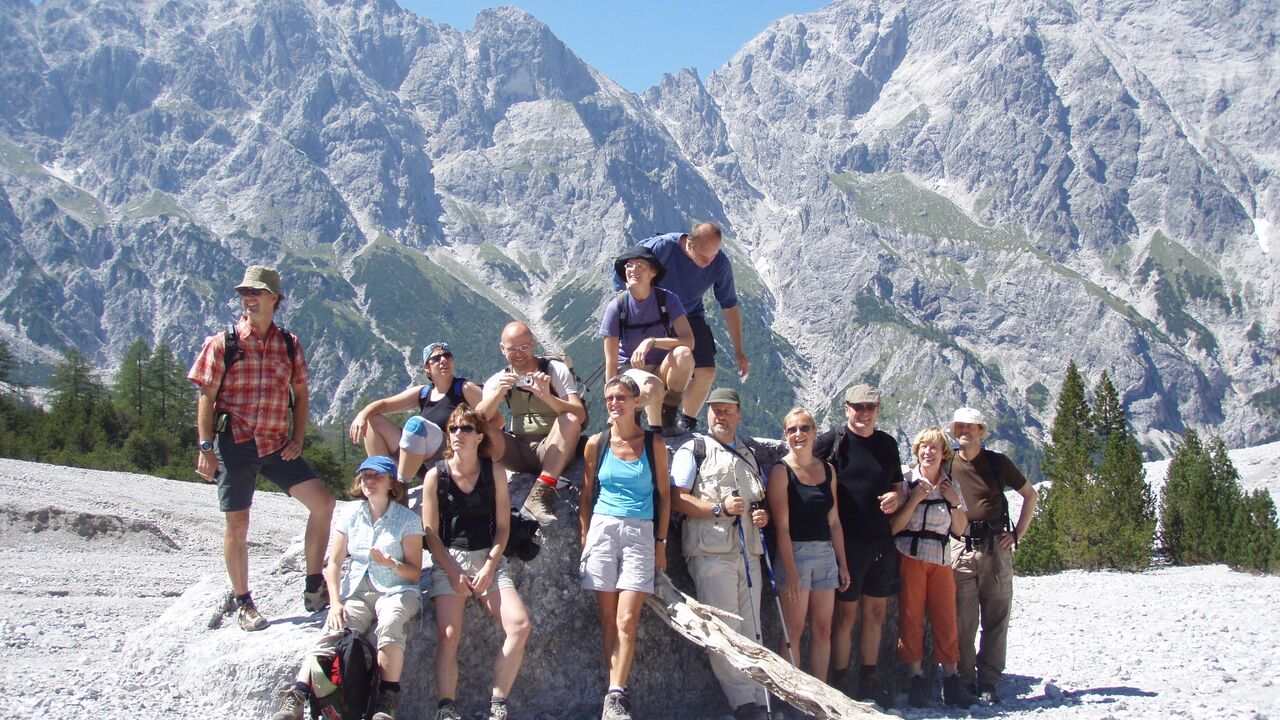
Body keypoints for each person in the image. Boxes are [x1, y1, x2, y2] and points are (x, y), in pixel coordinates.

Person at [187, 265, 336, 631]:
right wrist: (205, 447)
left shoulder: (289, 344)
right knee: (238, 523)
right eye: (244, 293)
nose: (248, 298)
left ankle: (314, 586)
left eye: (256, 292)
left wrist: (298, 438)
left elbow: (301, 395)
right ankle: (244, 602)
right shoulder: (224, 342)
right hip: (235, 443)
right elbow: (206, 396)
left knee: (324, 503)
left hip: (275, 444)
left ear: (274, 299)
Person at [270, 455, 423, 720]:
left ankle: (387, 701)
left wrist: (391, 564)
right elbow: (335, 561)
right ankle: (297, 694)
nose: (370, 481)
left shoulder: (407, 520)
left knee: (390, 624)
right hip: (356, 591)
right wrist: (336, 601)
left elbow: (414, 572)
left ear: (391, 484)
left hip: (396, 589)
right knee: (334, 629)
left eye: (377, 476)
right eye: (365, 476)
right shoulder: (350, 514)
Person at [422, 405, 532, 720]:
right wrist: (454, 571)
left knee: (520, 625)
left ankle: (498, 703)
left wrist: (489, 566)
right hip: (449, 558)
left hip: (488, 557)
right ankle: (446, 707)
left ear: (479, 436)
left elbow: (502, 527)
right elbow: (431, 535)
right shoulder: (435, 476)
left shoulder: (494, 471)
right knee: (448, 635)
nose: (458, 434)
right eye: (453, 429)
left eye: (465, 429)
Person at [670, 387, 770, 719]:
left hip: (749, 552)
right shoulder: (693, 449)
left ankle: (759, 695)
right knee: (725, 629)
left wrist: (762, 516)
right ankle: (744, 703)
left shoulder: (749, 453)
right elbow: (676, 498)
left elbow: (757, 500)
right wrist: (718, 508)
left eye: (726, 410)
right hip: (711, 553)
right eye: (714, 410)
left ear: (739, 414)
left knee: (752, 628)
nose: (720, 415)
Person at [579, 375, 670, 720]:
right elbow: (587, 494)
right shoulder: (596, 444)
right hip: (603, 529)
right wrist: (584, 533)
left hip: (640, 532)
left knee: (627, 618)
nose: (614, 403)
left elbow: (664, 495)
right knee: (607, 618)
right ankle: (615, 693)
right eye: (609, 398)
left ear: (636, 402)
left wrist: (661, 542)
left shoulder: (652, 444)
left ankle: (616, 692)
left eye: (621, 397)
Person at [812, 384, 903, 706]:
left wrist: (898, 496)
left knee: (876, 613)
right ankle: (840, 681)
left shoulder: (887, 444)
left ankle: (869, 679)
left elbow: (897, 483)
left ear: (878, 409)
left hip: (880, 539)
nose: (864, 413)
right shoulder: (832, 442)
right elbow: (804, 472)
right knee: (845, 616)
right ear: (846, 408)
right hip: (846, 541)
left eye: (871, 407)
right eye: (858, 407)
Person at [613, 223, 749, 431]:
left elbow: (729, 305)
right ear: (690, 245)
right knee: (654, 370)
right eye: (705, 257)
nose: (709, 262)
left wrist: (739, 351)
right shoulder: (663, 248)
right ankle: (649, 418)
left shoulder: (719, 261)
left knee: (706, 371)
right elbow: (626, 272)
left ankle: (686, 422)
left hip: (690, 314)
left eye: (714, 255)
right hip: (655, 312)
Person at [949, 407, 1037, 704]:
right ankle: (964, 678)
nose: (965, 431)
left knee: (996, 618)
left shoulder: (998, 463)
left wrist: (1018, 535)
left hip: (996, 546)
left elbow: (1030, 495)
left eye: (971, 427)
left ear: (981, 432)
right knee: (963, 619)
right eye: (960, 426)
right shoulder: (947, 463)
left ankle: (989, 681)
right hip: (962, 545)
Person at [890, 427, 975, 708]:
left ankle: (950, 680)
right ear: (916, 451)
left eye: (934, 448)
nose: (928, 452)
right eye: (923, 447)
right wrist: (913, 499)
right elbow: (895, 527)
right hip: (911, 557)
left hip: (940, 559)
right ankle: (916, 679)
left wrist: (954, 502)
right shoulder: (905, 482)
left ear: (943, 454)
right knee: (911, 617)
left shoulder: (951, 486)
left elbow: (961, 529)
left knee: (946, 618)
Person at [767, 407, 850, 683]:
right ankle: (790, 697)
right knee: (793, 630)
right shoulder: (781, 472)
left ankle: (820, 696)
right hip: (796, 553)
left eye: (804, 428)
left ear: (814, 432)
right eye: (792, 430)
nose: (798, 434)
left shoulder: (827, 470)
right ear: (785, 435)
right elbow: (781, 526)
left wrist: (842, 563)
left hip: (825, 553)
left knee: (823, 628)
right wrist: (790, 572)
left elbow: (835, 520)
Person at [476, 321, 586, 525]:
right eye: (512, 349)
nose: (519, 354)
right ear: (502, 349)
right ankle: (478, 491)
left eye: (524, 347)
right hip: (518, 449)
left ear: (533, 344)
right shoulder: (497, 380)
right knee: (480, 432)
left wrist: (547, 397)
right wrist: (498, 394)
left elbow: (579, 414)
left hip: (553, 447)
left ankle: (540, 493)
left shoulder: (554, 370)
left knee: (569, 420)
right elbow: (476, 422)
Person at [348, 341, 485, 480]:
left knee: (417, 425)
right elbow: (384, 404)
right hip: (418, 462)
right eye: (436, 359)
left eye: (447, 356)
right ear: (426, 367)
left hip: (450, 458)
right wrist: (363, 414)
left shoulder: (465, 388)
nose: (443, 360)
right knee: (374, 420)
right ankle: (383, 480)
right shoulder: (424, 393)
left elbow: (492, 419)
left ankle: (399, 484)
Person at [600, 246, 695, 433]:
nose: (634, 270)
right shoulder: (617, 306)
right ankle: (629, 417)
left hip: (661, 366)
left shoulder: (667, 299)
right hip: (630, 369)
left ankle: (667, 416)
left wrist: (652, 341)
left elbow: (689, 341)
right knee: (654, 386)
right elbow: (611, 361)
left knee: (683, 355)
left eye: (641, 266)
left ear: (653, 272)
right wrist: (611, 399)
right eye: (629, 266)